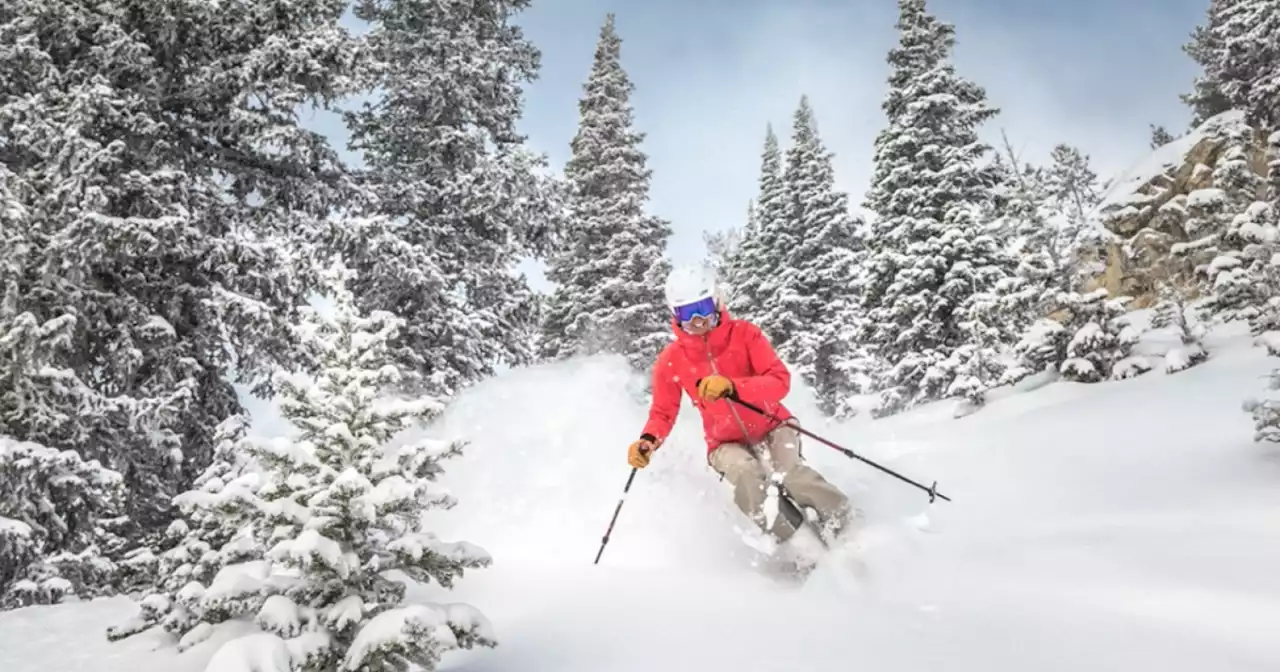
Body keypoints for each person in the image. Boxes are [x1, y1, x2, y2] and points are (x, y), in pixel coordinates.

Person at [626, 263, 856, 546]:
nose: (698, 320)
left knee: (790, 475)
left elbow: (779, 381)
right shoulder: (672, 360)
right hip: (724, 444)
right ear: (675, 315)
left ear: (716, 301)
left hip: (774, 425)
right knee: (748, 478)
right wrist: (648, 441)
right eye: (688, 313)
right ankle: (800, 545)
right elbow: (663, 412)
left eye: (702, 308)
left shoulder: (745, 335)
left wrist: (735, 387)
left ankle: (847, 523)